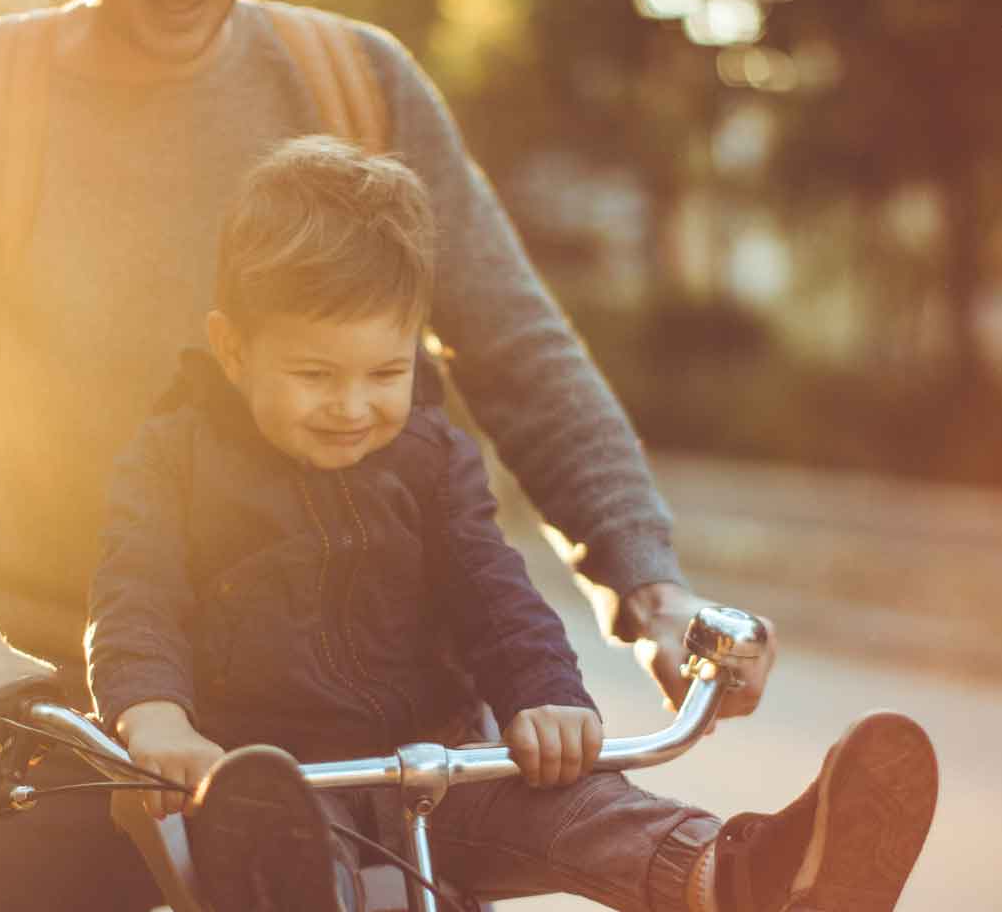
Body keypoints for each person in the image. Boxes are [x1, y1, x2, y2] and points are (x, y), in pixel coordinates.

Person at [0, 0, 775, 904]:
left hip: (364, 717)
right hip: (73, 710)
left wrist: (654, 595)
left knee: (563, 821)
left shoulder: (355, 83)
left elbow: (521, 356)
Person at [89, 136, 937, 911]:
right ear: (233, 351)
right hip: (262, 785)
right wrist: (154, 716)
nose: (352, 407)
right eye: (315, 374)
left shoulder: (431, 455)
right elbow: (137, 596)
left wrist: (546, 696)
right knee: (283, 858)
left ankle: (743, 876)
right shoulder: (173, 460)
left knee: (576, 806)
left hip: (437, 771)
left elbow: (493, 590)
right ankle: (298, 891)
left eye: (386, 370)